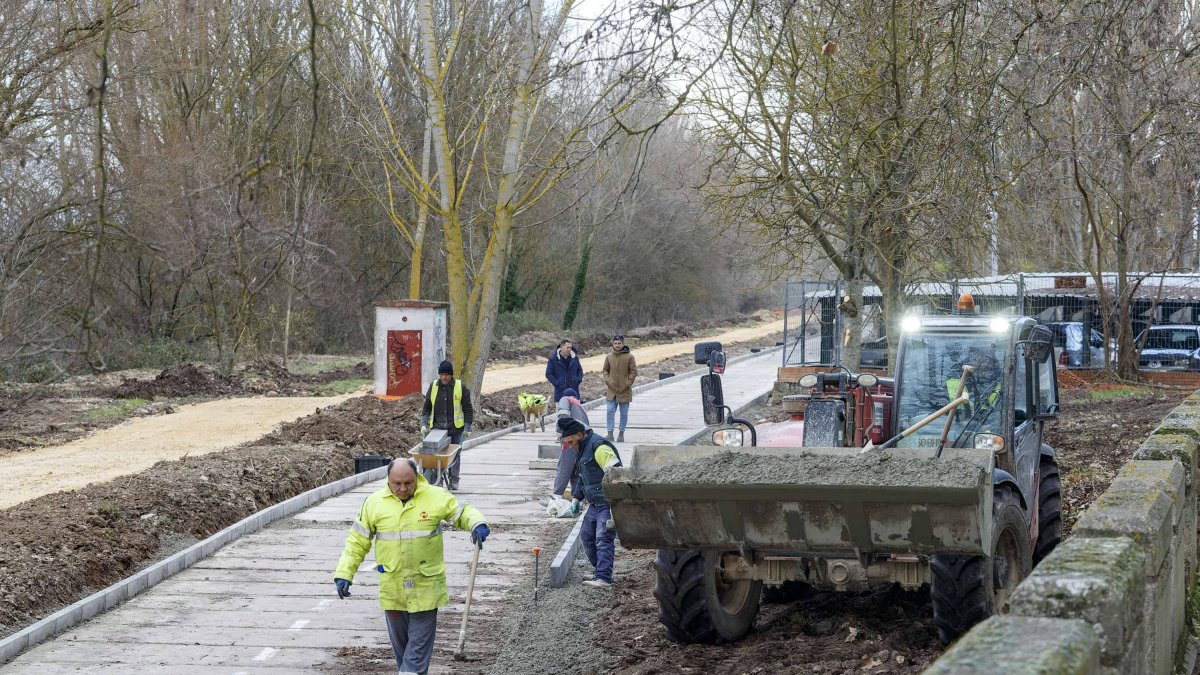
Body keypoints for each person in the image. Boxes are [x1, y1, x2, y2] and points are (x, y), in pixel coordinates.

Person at [333, 458, 489, 675]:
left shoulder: (435, 497)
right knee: (403, 652)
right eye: (397, 484)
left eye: (408, 483)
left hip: (426, 588)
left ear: (417, 478)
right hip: (393, 590)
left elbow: (462, 512)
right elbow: (356, 542)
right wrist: (344, 573)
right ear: (388, 480)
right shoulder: (374, 503)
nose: (403, 488)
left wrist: (477, 523)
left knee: (416, 653)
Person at [556, 416, 622, 588]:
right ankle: (600, 571)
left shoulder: (599, 447)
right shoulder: (582, 448)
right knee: (587, 536)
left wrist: (616, 505)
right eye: (567, 443)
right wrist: (576, 497)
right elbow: (583, 477)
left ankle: (604, 577)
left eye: (571, 442)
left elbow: (617, 475)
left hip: (607, 502)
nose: (570, 446)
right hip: (594, 503)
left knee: (603, 538)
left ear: (580, 435)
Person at [419, 360, 473, 490]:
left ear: (451, 375)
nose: (444, 377)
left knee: (455, 455)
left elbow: (468, 409)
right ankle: (438, 480)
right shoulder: (434, 387)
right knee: (436, 455)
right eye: (442, 374)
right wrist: (423, 424)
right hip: (437, 429)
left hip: (455, 428)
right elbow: (426, 408)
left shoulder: (460, 387)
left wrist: (467, 427)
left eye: (446, 375)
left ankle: (454, 480)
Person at [551, 387, 590, 503]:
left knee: (564, 467)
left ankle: (556, 496)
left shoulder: (565, 399)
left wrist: (560, 431)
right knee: (575, 471)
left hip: (571, 440)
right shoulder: (580, 407)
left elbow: (562, 416)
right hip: (581, 441)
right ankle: (577, 499)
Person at [602, 335, 637, 442]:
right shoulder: (609, 357)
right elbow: (605, 370)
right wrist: (608, 381)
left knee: (624, 413)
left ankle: (621, 433)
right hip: (611, 390)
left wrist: (628, 383)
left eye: (619, 343)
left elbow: (633, 372)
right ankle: (610, 433)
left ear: (623, 344)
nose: (617, 345)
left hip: (625, 390)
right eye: (615, 343)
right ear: (613, 344)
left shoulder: (630, 357)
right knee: (610, 411)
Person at [545, 338, 584, 403]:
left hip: (574, 393)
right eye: (567, 347)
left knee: (575, 410)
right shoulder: (553, 359)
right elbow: (548, 374)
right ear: (561, 347)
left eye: (570, 347)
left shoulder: (574, 358)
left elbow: (579, 370)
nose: (569, 349)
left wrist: (578, 380)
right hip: (560, 394)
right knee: (562, 410)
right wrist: (557, 383)